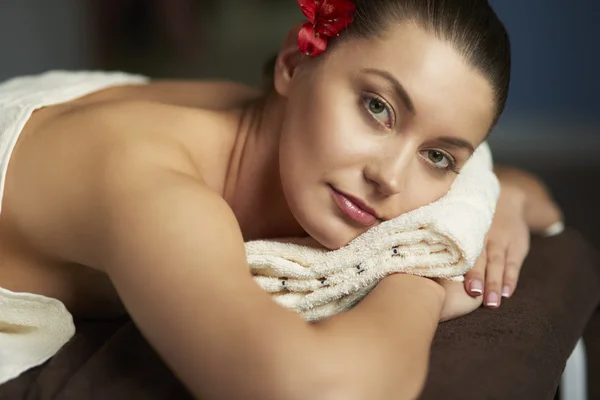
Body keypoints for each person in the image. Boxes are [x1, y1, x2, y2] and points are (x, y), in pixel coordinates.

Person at [0, 0, 562, 399]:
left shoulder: (268, 129)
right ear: (295, 63)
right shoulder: (154, 189)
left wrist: (501, 200)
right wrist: (422, 273)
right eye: (377, 107)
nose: (389, 177)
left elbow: (538, 201)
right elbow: (319, 389)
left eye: (439, 156)